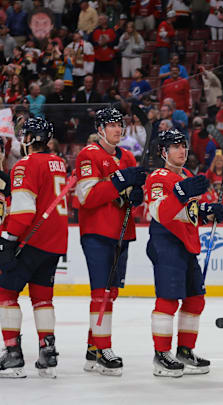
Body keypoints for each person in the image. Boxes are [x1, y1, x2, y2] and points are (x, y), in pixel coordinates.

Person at [144, 128, 222, 377]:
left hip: (187, 243)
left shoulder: (187, 175)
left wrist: (210, 210)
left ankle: (185, 351)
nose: (182, 150)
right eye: (175, 146)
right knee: (168, 300)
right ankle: (161, 354)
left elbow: (190, 211)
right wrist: (181, 192)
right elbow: (160, 213)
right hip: (166, 242)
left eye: (183, 145)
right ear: (163, 152)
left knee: (195, 299)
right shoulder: (157, 177)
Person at [75, 108, 146, 377]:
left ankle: (93, 348)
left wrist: (136, 194)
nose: (118, 129)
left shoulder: (127, 156)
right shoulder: (88, 155)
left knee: (111, 292)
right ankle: (104, 349)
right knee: (100, 293)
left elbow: (128, 197)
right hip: (96, 232)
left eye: (120, 125)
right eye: (113, 125)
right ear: (100, 128)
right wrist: (120, 182)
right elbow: (87, 196)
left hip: (122, 232)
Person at [0, 118, 67, 378]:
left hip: (30, 241)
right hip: (54, 242)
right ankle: (47, 350)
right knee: (42, 297)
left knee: (5, 293)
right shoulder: (59, 162)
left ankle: (13, 353)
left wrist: (7, 239)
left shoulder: (25, 165)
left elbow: (24, 210)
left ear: (29, 138)